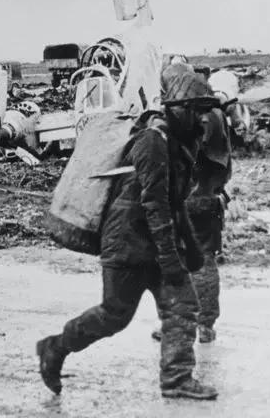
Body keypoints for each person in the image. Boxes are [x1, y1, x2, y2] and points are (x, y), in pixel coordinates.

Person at [36, 66, 220, 400]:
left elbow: (176, 202)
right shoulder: (153, 140)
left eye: (206, 111)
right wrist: (171, 259)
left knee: (182, 306)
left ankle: (176, 379)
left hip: (156, 240)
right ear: (180, 108)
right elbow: (155, 204)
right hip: (126, 243)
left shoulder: (181, 141)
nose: (204, 118)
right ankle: (55, 347)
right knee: (114, 315)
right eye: (198, 110)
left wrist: (190, 249)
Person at [152, 64, 233, 344]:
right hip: (206, 198)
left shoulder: (193, 116)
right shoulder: (214, 114)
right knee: (200, 261)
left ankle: (184, 324)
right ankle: (203, 325)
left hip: (192, 197)